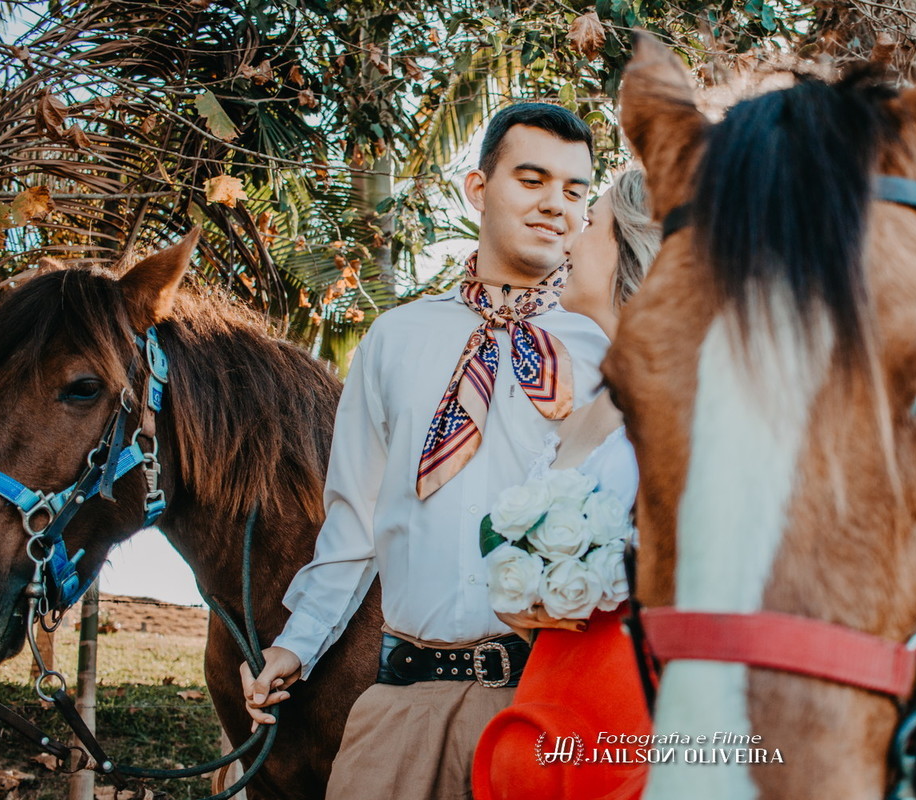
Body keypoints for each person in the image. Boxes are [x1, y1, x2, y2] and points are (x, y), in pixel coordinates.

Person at [240, 102, 609, 800]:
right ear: (478, 188)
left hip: (554, 709)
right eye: (532, 180)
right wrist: (296, 643)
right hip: (404, 705)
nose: (555, 205)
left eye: (574, 190)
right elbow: (356, 518)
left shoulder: (603, 352)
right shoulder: (395, 338)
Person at [471, 169, 661, 800]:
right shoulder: (588, 405)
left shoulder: (688, 401)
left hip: (631, 711)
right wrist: (525, 593)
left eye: (592, 221)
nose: (570, 235)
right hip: (547, 698)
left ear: (634, 243)